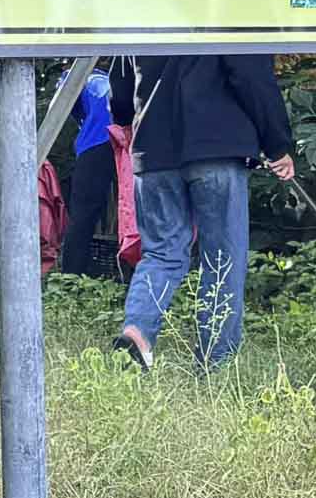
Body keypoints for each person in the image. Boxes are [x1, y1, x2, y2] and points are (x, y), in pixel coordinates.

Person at [109, 55, 295, 370]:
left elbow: (120, 80)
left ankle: (137, 331)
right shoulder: (224, 8)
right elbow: (250, 74)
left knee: (161, 253)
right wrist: (277, 144)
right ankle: (215, 361)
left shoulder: (142, 7)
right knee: (223, 258)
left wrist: (126, 121)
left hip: (153, 150)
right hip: (217, 147)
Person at [56, 66, 121, 278]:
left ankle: (71, 276)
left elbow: (60, 110)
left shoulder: (75, 76)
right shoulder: (117, 75)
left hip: (96, 142)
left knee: (83, 214)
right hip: (126, 140)